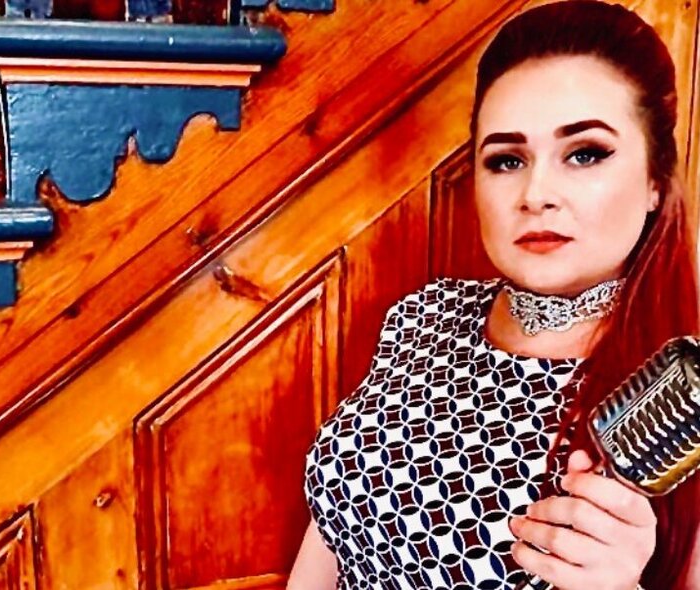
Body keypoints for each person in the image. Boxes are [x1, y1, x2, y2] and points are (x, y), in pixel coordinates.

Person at [287, 1, 700, 589]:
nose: (536, 193)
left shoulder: (684, 400)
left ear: (656, 179)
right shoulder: (424, 315)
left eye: (584, 154)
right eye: (506, 160)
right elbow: (329, 535)